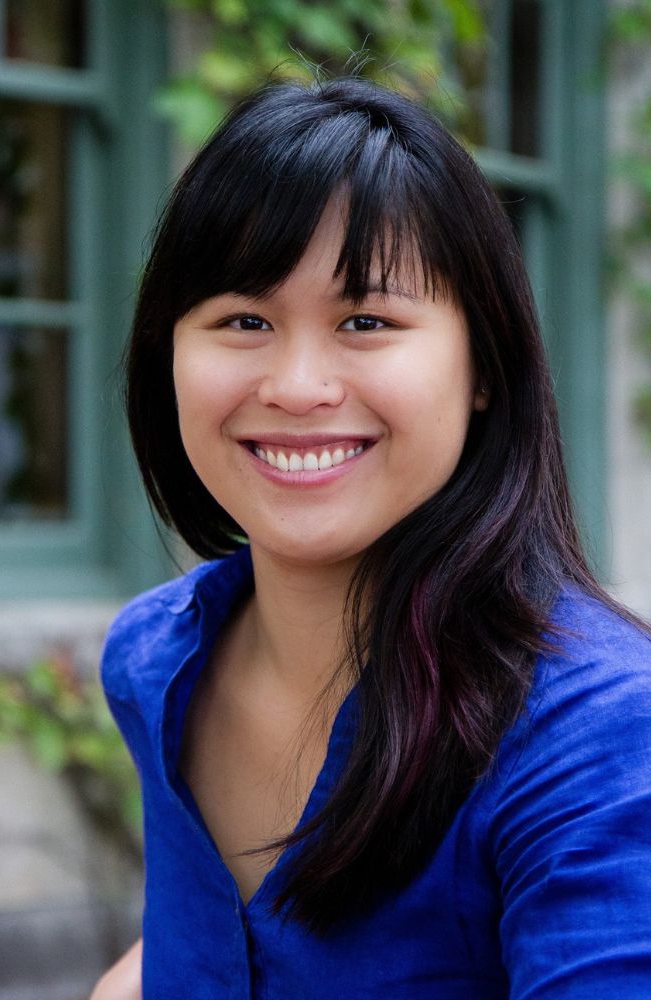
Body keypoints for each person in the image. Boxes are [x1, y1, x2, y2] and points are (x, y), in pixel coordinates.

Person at [91, 76, 651, 999]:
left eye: (366, 321)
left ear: (483, 368)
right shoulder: (155, 662)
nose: (297, 384)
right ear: (168, 357)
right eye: (244, 320)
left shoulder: (596, 738)